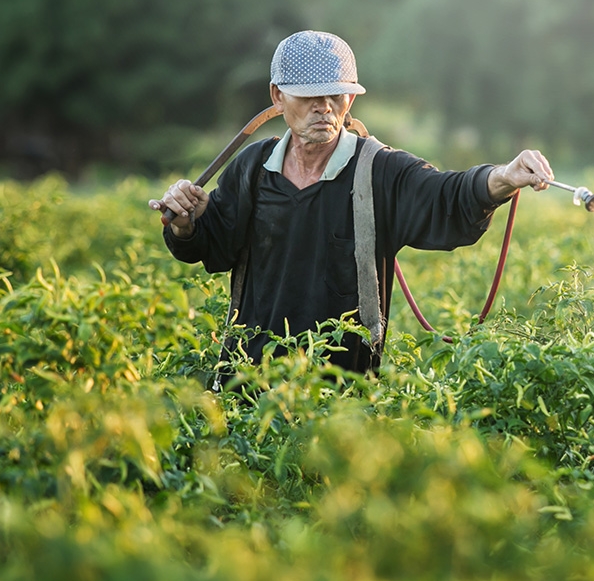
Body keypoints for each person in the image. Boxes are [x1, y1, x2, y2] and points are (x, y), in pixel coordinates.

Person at [149, 30, 553, 380]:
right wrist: (186, 224)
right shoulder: (253, 167)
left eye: (334, 95)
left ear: (350, 101)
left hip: (343, 393)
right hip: (251, 382)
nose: (323, 107)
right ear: (277, 96)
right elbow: (213, 244)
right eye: (308, 96)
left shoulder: (380, 170)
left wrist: (503, 177)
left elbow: (446, 194)